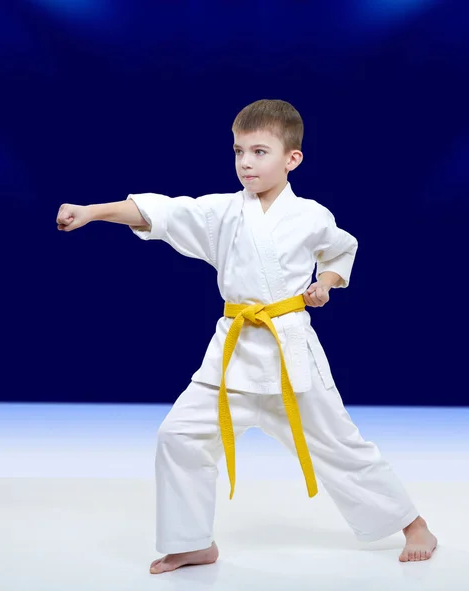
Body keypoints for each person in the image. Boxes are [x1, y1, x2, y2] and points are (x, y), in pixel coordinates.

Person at [56, 99, 438, 574]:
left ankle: (414, 524)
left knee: (340, 444)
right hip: (233, 355)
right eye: (239, 151)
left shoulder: (312, 215)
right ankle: (191, 541)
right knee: (178, 436)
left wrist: (325, 284)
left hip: (289, 353)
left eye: (260, 152)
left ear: (291, 158)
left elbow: (342, 250)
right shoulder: (223, 212)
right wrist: (92, 211)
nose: (245, 163)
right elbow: (162, 213)